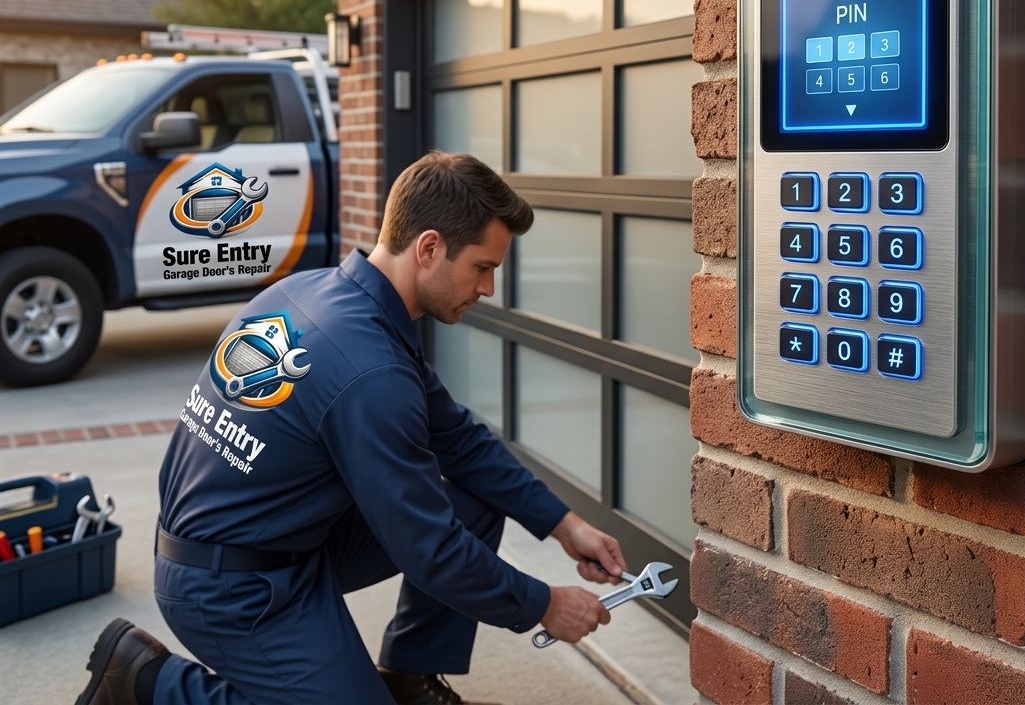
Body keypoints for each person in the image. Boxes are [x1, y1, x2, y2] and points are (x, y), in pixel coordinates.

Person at [75, 152, 626, 705]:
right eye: (482, 266)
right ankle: (145, 681)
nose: (486, 287)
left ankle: (409, 676)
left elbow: (457, 438)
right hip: (230, 587)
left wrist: (564, 524)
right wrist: (543, 604)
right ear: (429, 248)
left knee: (475, 501)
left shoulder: (314, 293)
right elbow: (427, 548)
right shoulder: (370, 369)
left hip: (284, 540)